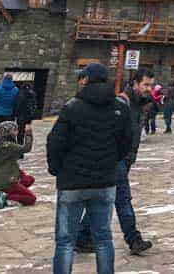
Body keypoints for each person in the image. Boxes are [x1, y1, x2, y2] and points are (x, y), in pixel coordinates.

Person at [47, 62, 134, 274]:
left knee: (65, 241)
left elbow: (54, 142)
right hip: (105, 181)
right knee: (104, 239)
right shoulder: (120, 109)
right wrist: (111, 161)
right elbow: (126, 143)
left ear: (86, 80)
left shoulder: (72, 107)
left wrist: (57, 170)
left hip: (72, 183)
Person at [76, 69, 154, 256]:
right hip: (115, 159)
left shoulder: (139, 104)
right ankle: (133, 239)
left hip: (124, 160)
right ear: (134, 83)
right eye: (145, 85)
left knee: (105, 200)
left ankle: (82, 236)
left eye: (151, 85)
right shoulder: (121, 103)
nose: (148, 89)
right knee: (123, 199)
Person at [0, 121, 36, 207]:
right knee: (31, 198)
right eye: (15, 130)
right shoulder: (8, 145)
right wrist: (28, 134)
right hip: (9, 182)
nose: (17, 132)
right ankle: (5, 197)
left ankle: (4, 194)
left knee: (29, 179)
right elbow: (26, 148)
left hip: (0, 182)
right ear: (8, 132)